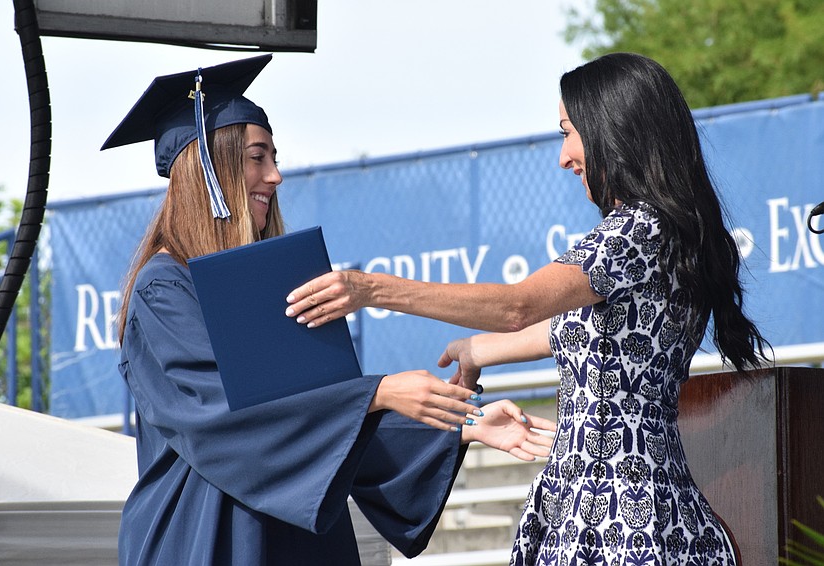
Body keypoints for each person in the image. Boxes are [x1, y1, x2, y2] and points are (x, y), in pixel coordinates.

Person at [285, 52, 770, 565]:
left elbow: (519, 306)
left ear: (615, 128)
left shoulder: (634, 232)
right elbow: (572, 331)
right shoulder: (667, 236)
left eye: (568, 132)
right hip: (625, 506)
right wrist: (477, 351)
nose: (563, 156)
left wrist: (372, 289)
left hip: (615, 517)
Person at [102, 54, 555, 566]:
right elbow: (232, 417)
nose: (274, 175)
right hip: (207, 538)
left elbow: (320, 423)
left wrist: (462, 422)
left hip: (293, 541)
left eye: (274, 157)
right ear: (209, 170)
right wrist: (379, 392)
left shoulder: (264, 285)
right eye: (257, 157)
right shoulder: (163, 291)